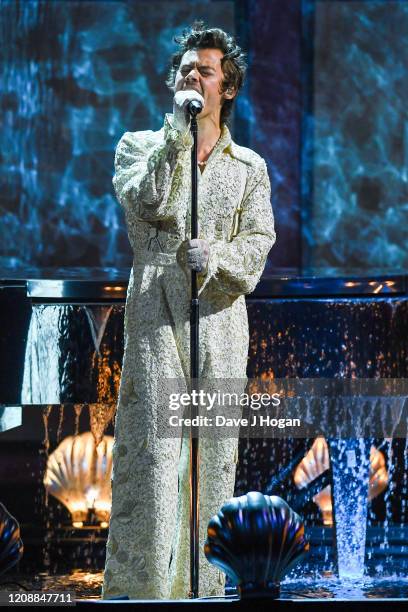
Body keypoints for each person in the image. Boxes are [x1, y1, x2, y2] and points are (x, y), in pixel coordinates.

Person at [102, 22, 276, 600]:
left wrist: (219, 255)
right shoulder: (138, 147)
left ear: (227, 87)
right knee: (154, 464)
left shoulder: (249, 167)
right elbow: (148, 200)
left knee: (211, 463)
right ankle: (148, 593)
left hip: (220, 319)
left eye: (205, 69)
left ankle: (203, 591)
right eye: (186, 68)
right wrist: (176, 137)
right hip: (156, 311)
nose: (191, 75)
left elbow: (257, 244)